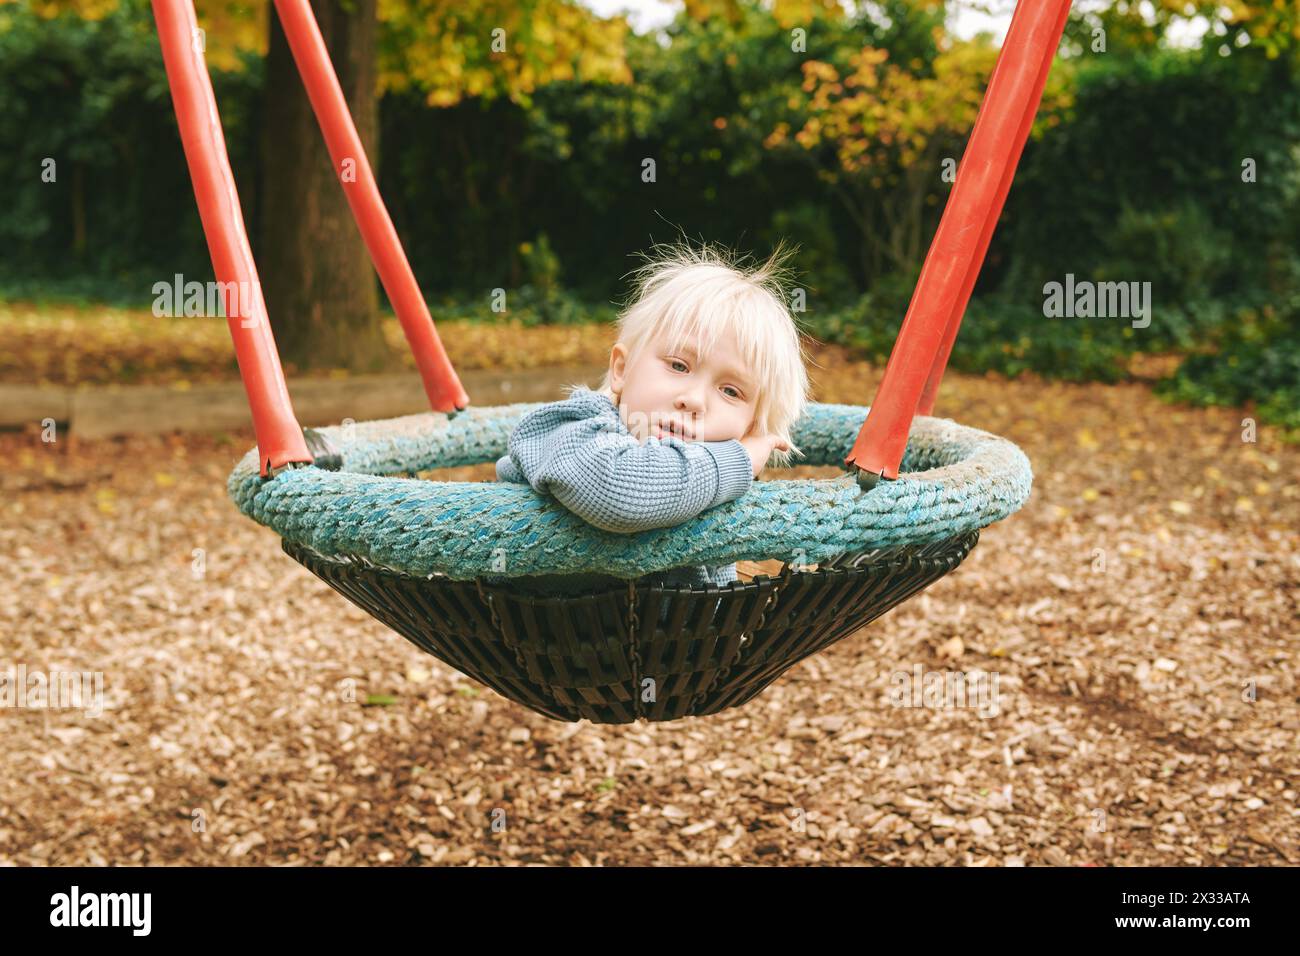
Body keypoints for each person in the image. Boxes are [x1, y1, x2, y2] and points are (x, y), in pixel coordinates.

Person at [489, 239, 812, 598]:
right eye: (678, 365)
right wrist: (738, 461)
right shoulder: (573, 428)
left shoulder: (708, 489)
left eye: (731, 391)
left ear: (750, 428)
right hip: (532, 634)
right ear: (621, 369)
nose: (693, 400)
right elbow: (620, 495)